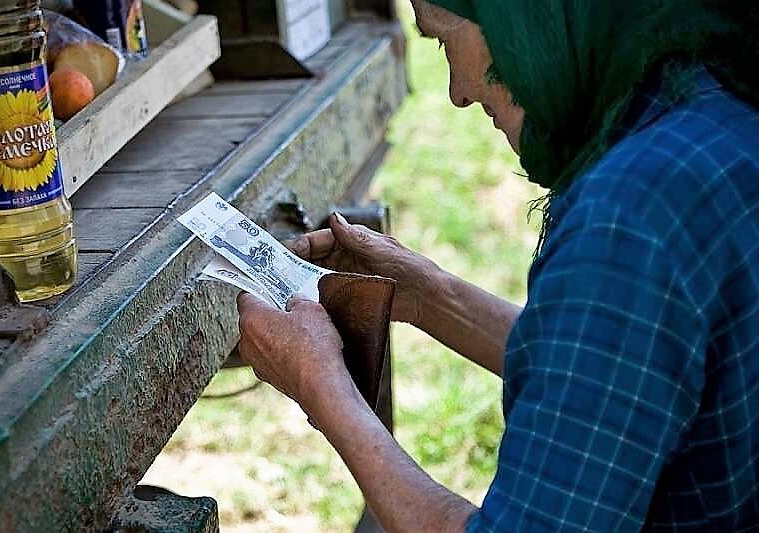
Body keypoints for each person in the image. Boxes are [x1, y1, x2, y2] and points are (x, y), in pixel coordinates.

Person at [236, 1, 759, 530]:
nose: (458, 92)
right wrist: (432, 295)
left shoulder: (630, 217)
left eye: (443, 39)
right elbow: (617, 371)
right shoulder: (713, 111)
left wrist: (323, 387)